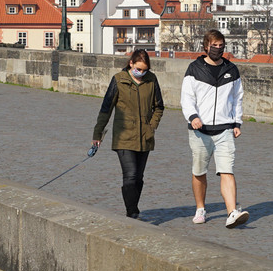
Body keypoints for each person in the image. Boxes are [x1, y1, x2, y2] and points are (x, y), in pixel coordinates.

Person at [180, 30, 248, 228]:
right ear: (205, 46)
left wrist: (237, 123)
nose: (218, 49)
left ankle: (231, 213)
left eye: (221, 45)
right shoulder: (194, 69)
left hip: (225, 128)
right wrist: (193, 117)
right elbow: (187, 98)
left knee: (227, 170)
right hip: (200, 130)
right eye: (214, 45)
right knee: (199, 171)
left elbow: (237, 98)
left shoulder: (232, 70)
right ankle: (200, 208)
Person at [92, 49, 164, 219]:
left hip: (145, 136)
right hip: (123, 135)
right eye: (138, 69)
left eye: (144, 70)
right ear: (131, 63)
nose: (141, 73)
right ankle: (131, 212)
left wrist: (152, 126)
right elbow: (106, 109)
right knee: (130, 174)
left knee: (139, 177)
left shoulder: (151, 80)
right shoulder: (118, 80)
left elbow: (159, 107)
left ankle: (133, 208)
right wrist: (97, 134)